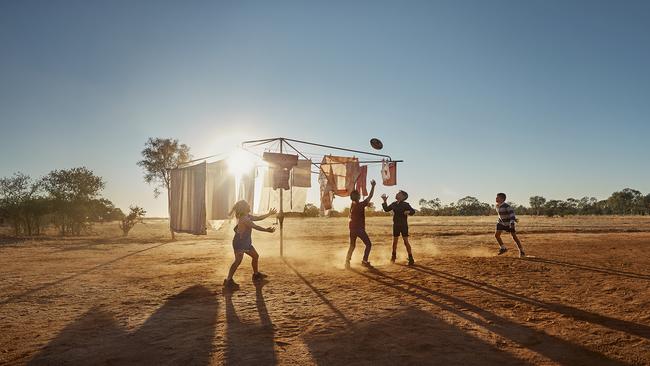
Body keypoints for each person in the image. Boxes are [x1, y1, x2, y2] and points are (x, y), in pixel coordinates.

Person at [224, 200, 277, 290]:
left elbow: (258, 218)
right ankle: (228, 280)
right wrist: (266, 230)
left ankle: (256, 275)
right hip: (240, 243)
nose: (249, 206)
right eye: (247, 205)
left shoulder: (247, 216)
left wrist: (269, 214)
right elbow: (255, 226)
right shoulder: (244, 219)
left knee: (255, 256)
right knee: (238, 261)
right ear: (244, 208)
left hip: (245, 242)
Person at [345, 179, 377, 269]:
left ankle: (347, 262)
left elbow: (355, 197)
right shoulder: (360, 205)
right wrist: (373, 186)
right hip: (359, 229)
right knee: (368, 244)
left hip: (352, 229)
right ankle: (364, 261)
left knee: (352, 245)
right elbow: (370, 196)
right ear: (358, 197)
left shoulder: (352, 205)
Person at [381, 190, 416, 265]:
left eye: (398, 193)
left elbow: (413, 211)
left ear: (403, 197)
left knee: (406, 241)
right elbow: (386, 209)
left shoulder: (406, 204)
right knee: (394, 242)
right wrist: (384, 201)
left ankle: (410, 258)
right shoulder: (394, 204)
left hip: (403, 225)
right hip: (396, 225)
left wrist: (409, 212)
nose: (396, 194)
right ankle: (393, 257)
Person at [494, 192, 526, 258]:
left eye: (498, 197)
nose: (496, 198)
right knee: (497, 235)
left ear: (502, 199)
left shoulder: (507, 206)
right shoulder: (497, 206)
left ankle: (521, 251)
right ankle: (503, 248)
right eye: (496, 197)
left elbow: (512, 215)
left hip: (509, 224)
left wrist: (512, 223)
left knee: (514, 237)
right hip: (501, 222)